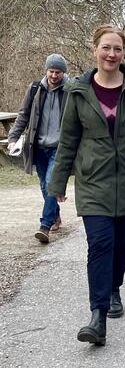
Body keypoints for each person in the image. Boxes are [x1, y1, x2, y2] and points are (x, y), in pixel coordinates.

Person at [48, 24, 125, 345]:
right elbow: (69, 139)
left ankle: (115, 286)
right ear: (94, 50)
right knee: (99, 244)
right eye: (106, 47)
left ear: (124, 53)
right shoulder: (78, 91)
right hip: (94, 181)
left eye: (117, 49)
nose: (111, 54)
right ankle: (97, 315)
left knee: (120, 244)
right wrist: (58, 182)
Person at [8, 54, 69, 243]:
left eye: (58, 72)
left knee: (51, 183)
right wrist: (13, 137)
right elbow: (24, 114)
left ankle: (45, 225)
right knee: (44, 185)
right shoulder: (35, 88)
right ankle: (55, 215)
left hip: (59, 146)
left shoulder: (71, 89)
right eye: (51, 71)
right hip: (39, 146)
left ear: (63, 73)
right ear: (46, 70)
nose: (54, 75)